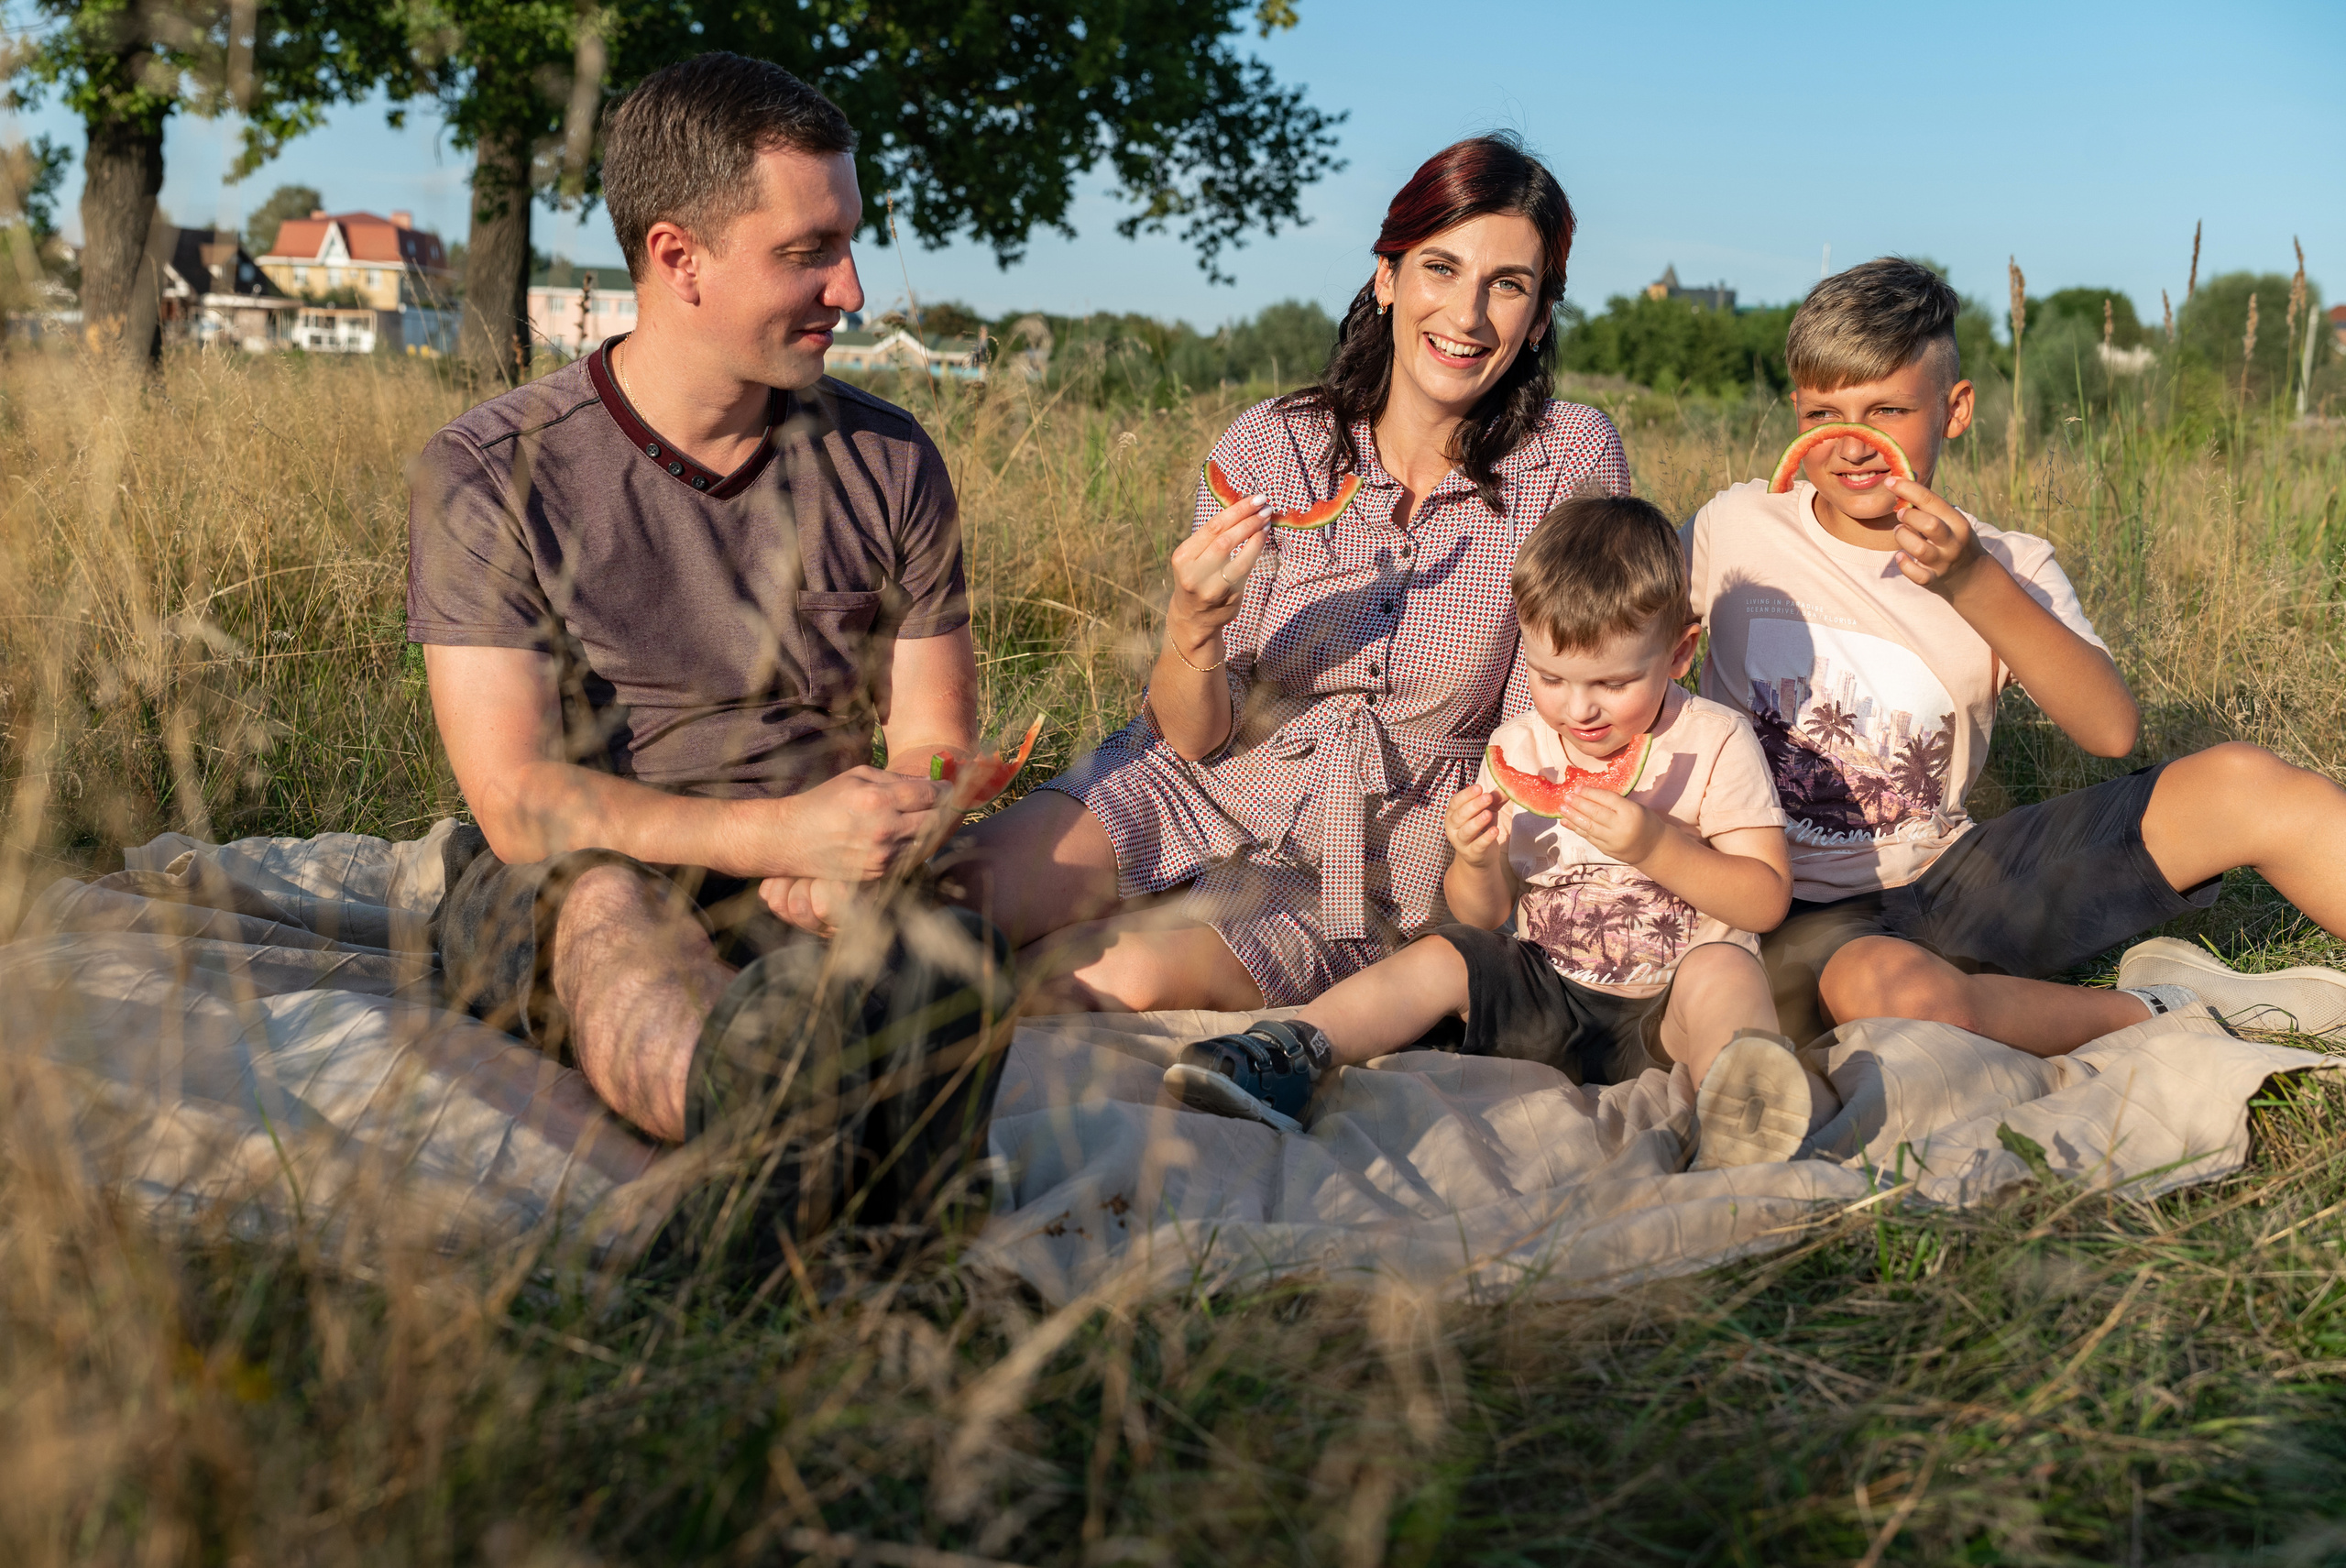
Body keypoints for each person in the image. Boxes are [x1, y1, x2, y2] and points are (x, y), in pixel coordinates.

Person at [406, 53, 1013, 1247]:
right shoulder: (490, 469)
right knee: (608, 909)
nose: (850, 288)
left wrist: (888, 837)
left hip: (817, 870)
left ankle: (886, 1141)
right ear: (677, 256)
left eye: (848, 244)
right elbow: (521, 801)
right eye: (808, 252)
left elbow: (937, 735)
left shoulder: (891, 460)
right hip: (577, 872)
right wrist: (767, 835)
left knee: (936, 941)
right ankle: (753, 1132)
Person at [943, 134, 1632, 1014]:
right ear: (1387, 278)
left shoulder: (1567, 460)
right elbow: (1192, 740)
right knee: (953, 906)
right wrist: (1192, 623)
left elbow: (1544, 728)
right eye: (1440, 268)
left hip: (1376, 852)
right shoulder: (1276, 443)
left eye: (1508, 285)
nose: (1467, 315)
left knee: (1089, 975)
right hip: (1197, 781)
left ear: (1538, 319)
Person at [1685, 256, 2346, 1052]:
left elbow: (2110, 730)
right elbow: (1620, 646)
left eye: (1887, 409)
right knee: (1894, 995)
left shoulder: (2006, 562)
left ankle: (2017, 996)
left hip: (1958, 881)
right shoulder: (1736, 526)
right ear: (1796, 411)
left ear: (1954, 409)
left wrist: (1973, 582)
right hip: (1789, 912)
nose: (1852, 443)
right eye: (1825, 414)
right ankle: (2167, 1009)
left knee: (2249, 784)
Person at [1161, 496, 1832, 1167]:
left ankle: (1739, 1105)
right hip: (1545, 993)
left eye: (1613, 681)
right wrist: (1475, 858)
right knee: (1442, 952)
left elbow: (1764, 897)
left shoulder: (1715, 740)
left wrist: (1656, 846)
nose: (1579, 708)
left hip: (1669, 1011)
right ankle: (1293, 1048)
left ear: (1680, 652)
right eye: (1550, 677)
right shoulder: (1519, 746)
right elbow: (1485, 915)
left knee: (1726, 970)